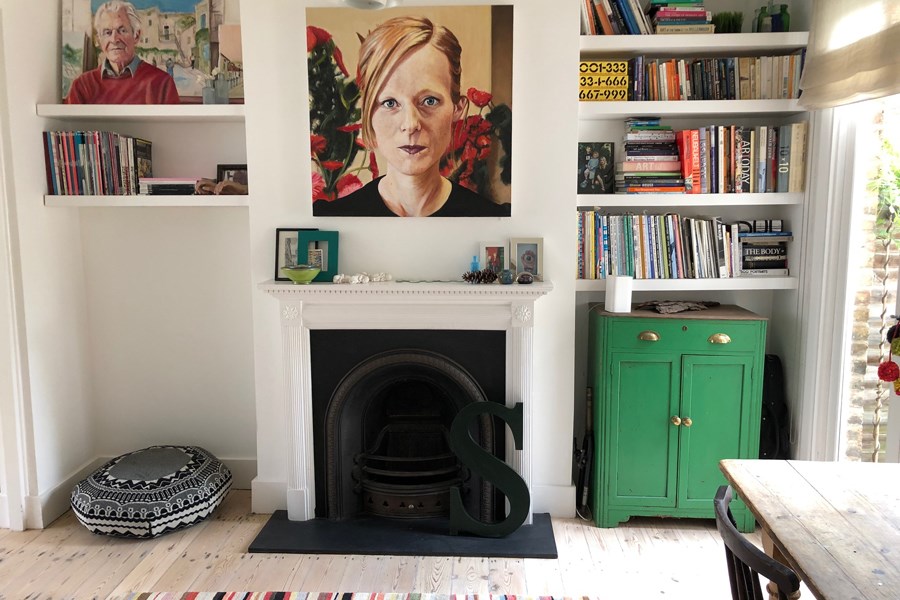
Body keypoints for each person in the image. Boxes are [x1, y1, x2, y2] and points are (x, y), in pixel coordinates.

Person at [313, 16, 509, 217]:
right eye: (390, 103)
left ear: (457, 109)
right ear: (368, 112)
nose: (410, 124)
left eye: (429, 101)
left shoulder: (492, 219)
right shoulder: (328, 220)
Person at [65, 1, 180, 104]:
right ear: (99, 40)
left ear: (136, 36)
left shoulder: (162, 82)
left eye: (122, 30)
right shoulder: (82, 86)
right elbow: (68, 127)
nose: (114, 39)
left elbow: (172, 128)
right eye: (107, 32)